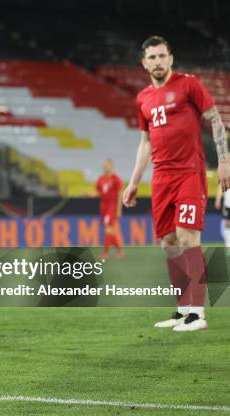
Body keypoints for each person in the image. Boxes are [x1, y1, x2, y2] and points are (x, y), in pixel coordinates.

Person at [123, 35, 230, 332]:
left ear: (171, 58)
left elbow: (216, 120)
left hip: (189, 174)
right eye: (152, 58)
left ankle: (198, 314)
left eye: (162, 56)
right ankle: (183, 310)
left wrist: (224, 161)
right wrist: (133, 182)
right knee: (168, 244)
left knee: (187, 238)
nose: (158, 62)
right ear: (144, 63)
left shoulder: (189, 85)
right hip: (161, 179)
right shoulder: (143, 98)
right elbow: (144, 143)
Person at [95, 159, 124, 259]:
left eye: (106, 165)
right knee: (110, 230)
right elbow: (98, 192)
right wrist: (87, 193)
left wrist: (119, 209)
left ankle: (105, 253)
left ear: (111, 166)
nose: (104, 166)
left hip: (112, 207)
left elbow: (120, 194)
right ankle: (119, 251)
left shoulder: (116, 179)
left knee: (109, 229)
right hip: (104, 207)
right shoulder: (101, 179)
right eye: (104, 165)